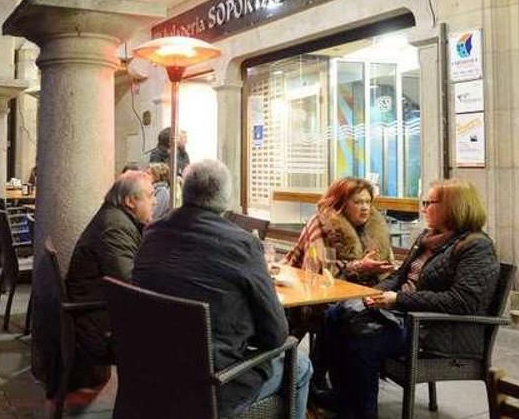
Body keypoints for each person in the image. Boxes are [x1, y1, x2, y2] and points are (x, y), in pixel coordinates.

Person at [132, 160, 311, 419]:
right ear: (226, 198)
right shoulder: (243, 244)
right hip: (214, 387)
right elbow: (276, 335)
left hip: (151, 372)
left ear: (185, 191)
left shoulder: (152, 234)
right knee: (301, 364)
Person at [318, 179, 499, 419]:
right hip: (404, 317)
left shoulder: (476, 246)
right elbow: (398, 276)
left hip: (435, 331)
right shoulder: (428, 237)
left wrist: (398, 299)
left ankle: (361, 411)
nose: (423, 208)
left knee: (361, 336)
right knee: (335, 314)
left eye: (429, 203)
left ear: (453, 207)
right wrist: (373, 295)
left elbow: (462, 301)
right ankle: (343, 397)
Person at [65, 170, 156, 388]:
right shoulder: (115, 227)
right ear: (130, 201)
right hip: (97, 326)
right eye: (150, 195)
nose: (154, 201)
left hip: (95, 314)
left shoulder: (115, 218)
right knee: (174, 336)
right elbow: (130, 284)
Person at [284, 177, 395, 286]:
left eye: (368, 202)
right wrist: (358, 267)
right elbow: (318, 271)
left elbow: (389, 268)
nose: (365, 207)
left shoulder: (377, 228)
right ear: (341, 204)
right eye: (358, 202)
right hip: (330, 291)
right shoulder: (320, 223)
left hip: (370, 290)